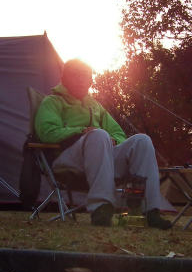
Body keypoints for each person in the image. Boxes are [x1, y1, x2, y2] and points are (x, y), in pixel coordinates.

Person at [34, 58, 172, 228]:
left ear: (90, 80)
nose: (80, 79)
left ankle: (150, 211)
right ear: (64, 78)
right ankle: (101, 208)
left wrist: (113, 141)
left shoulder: (95, 105)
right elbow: (47, 133)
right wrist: (81, 131)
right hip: (67, 158)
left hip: (101, 158)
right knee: (98, 135)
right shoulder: (53, 102)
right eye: (75, 75)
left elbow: (118, 134)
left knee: (142, 140)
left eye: (84, 76)